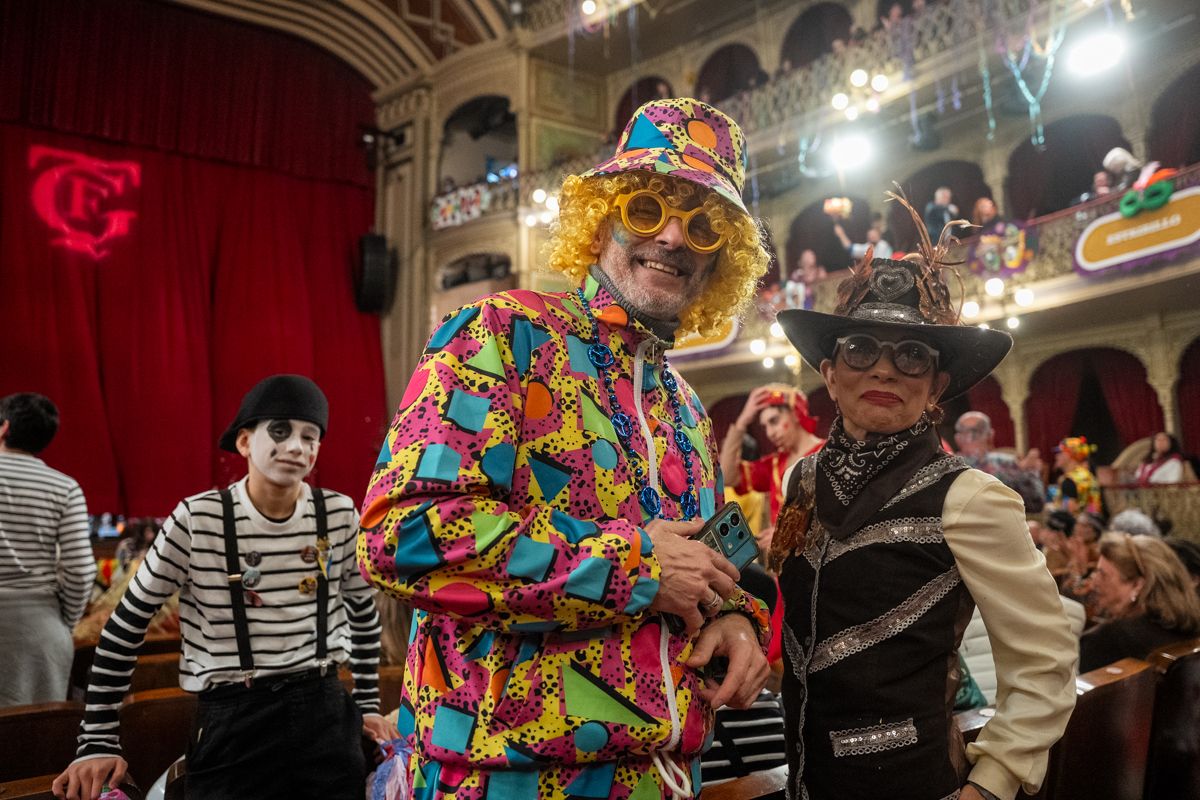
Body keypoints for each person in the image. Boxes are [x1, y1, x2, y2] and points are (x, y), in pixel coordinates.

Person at [358, 98, 772, 800]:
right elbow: (402, 536)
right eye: (648, 208)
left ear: (719, 258)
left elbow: (715, 564)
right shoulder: (498, 336)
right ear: (602, 217)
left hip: (669, 780)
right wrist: (636, 565)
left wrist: (737, 618)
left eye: (702, 226)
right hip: (505, 781)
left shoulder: (688, 408)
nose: (673, 236)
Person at [773, 202, 1076, 800]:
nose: (885, 370)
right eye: (861, 349)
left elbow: (1046, 658)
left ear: (936, 386)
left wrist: (992, 783)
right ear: (830, 374)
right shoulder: (802, 479)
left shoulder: (972, 497)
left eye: (912, 355)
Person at [55, 375, 391, 800]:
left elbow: (363, 613)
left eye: (311, 436)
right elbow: (126, 626)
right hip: (233, 718)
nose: (297, 447)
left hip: (324, 710)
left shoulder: (339, 514)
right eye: (281, 431)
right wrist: (97, 741)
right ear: (245, 442)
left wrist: (368, 704)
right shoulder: (197, 518)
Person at [0, 393, 96, 707]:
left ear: (4, 427)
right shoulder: (65, 487)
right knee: (36, 741)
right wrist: (61, 621)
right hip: (41, 634)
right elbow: (81, 571)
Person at [1079, 532, 1200, 672]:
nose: (1094, 583)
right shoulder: (1191, 627)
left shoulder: (1105, 640)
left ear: (1138, 585)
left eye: (1103, 574)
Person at [719, 384, 824, 537]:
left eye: (774, 421)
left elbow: (833, 516)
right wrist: (742, 422)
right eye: (765, 427)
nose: (770, 433)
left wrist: (784, 537)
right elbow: (727, 476)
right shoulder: (774, 464)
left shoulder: (826, 454)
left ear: (795, 413)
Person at [953, 411, 1044, 513]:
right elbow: (1036, 503)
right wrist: (1028, 471)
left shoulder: (948, 466)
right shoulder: (1010, 463)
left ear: (958, 439)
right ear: (991, 435)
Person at [1052, 436, 1101, 514]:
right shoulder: (1088, 476)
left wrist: (1051, 508)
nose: (1056, 456)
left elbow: (1068, 511)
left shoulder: (1069, 480)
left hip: (1075, 524)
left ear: (1069, 455)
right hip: (1089, 523)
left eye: (1060, 453)